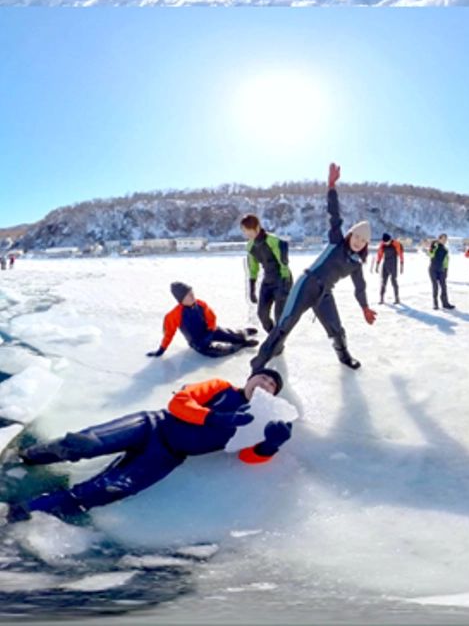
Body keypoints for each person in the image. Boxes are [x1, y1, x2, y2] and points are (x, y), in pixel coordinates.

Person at [7, 369, 292, 522]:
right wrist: (216, 417)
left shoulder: (259, 421)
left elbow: (247, 457)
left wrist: (270, 446)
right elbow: (179, 403)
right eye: (263, 377)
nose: (265, 384)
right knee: (82, 444)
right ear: (250, 378)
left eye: (271, 386)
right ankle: (26, 457)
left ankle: (22, 510)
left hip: (168, 454)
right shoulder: (220, 387)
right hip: (152, 424)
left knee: (108, 489)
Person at [249, 163, 377, 374]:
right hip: (306, 284)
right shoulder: (337, 241)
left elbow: (360, 287)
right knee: (284, 325)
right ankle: (258, 365)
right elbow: (334, 215)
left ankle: (345, 357)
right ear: (350, 235)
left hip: (324, 293)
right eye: (357, 236)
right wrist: (331, 186)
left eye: (364, 240)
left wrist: (364, 307)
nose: (359, 241)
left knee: (336, 329)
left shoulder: (356, 263)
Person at [148, 283, 259, 360]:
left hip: (210, 330)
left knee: (233, 335)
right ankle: (242, 345)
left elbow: (212, 316)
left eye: (192, 292)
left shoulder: (200, 304)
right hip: (198, 342)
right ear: (181, 299)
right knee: (216, 353)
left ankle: (243, 333)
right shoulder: (173, 315)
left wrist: (211, 328)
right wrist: (161, 350)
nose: (193, 296)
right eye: (189, 295)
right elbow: (168, 334)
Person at [240, 213, 292, 333]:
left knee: (280, 315)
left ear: (256, 227)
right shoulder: (250, 246)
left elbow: (283, 262)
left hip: (281, 279)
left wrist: (285, 280)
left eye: (248, 230)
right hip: (268, 280)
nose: (246, 234)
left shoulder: (272, 241)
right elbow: (253, 268)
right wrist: (252, 288)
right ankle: (273, 335)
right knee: (262, 314)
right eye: (244, 231)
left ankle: (279, 338)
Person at [372, 232, 404, 304]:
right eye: (384, 242)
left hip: (393, 265)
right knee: (383, 281)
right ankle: (381, 299)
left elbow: (401, 254)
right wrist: (377, 264)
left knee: (393, 281)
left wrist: (402, 264)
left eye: (386, 242)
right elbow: (379, 254)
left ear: (390, 240)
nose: (385, 243)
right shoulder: (382, 245)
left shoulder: (396, 244)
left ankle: (397, 298)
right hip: (385, 265)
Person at [427, 234, 456, 310]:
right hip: (433, 269)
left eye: (445, 239)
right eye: (443, 239)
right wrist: (431, 248)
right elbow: (430, 254)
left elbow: (446, 261)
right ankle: (435, 304)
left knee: (443, 286)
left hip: (441, 270)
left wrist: (446, 270)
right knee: (435, 286)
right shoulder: (435, 246)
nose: (444, 241)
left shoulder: (445, 249)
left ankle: (445, 303)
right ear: (439, 239)